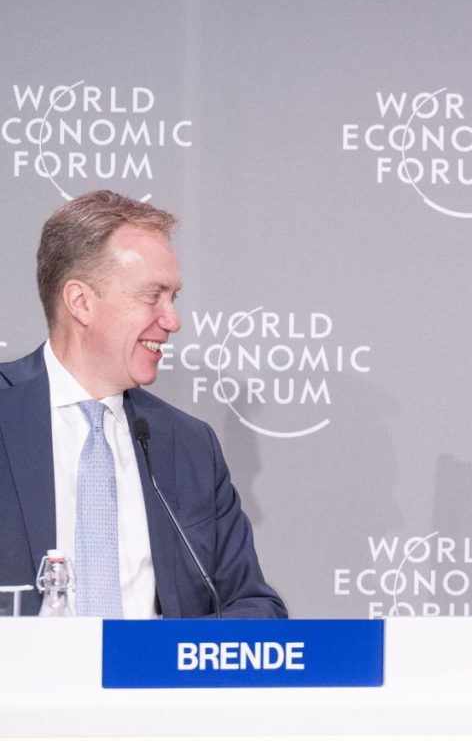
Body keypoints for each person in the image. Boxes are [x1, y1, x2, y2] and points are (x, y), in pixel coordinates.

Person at [0, 191, 286, 618]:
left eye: (174, 298)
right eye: (153, 296)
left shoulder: (188, 445)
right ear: (81, 302)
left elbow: (254, 605)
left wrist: (165, 655)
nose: (173, 320)